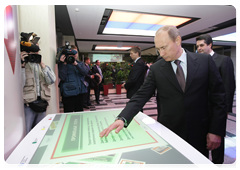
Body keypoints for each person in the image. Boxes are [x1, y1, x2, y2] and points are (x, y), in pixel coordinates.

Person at [100, 25, 227, 159]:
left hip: (200, 131)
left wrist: (216, 131)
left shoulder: (205, 61)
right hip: (170, 131)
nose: (161, 53)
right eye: (158, 49)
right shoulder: (156, 69)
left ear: (177, 41)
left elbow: (218, 97)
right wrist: (123, 118)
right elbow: (141, 95)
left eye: (164, 47)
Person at [196, 34, 235, 167]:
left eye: (201, 45)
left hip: (218, 108)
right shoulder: (199, 62)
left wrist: (226, 109)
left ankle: (217, 163)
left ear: (210, 45)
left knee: (217, 136)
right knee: (203, 136)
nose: (199, 49)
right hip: (202, 108)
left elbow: (228, 87)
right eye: (197, 46)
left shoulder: (224, 60)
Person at [21, 46, 56, 134]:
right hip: (28, 104)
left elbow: (51, 80)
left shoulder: (42, 66)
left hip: (42, 103)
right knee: (27, 132)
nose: (35, 55)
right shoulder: (23, 66)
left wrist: (43, 65)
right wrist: (22, 65)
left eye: (37, 53)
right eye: (33, 54)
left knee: (41, 131)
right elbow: (19, 84)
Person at [58, 45, 88, 113]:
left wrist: (76, 64)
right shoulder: (63, 64)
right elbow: (62, 77)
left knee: (80, 113)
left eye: (76, 53)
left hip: (79, 93)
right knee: (68, 114)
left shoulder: (80, 63)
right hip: (68, 94)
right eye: (72, 53)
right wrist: (64, 64)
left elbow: (85, 72)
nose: (74, 55)